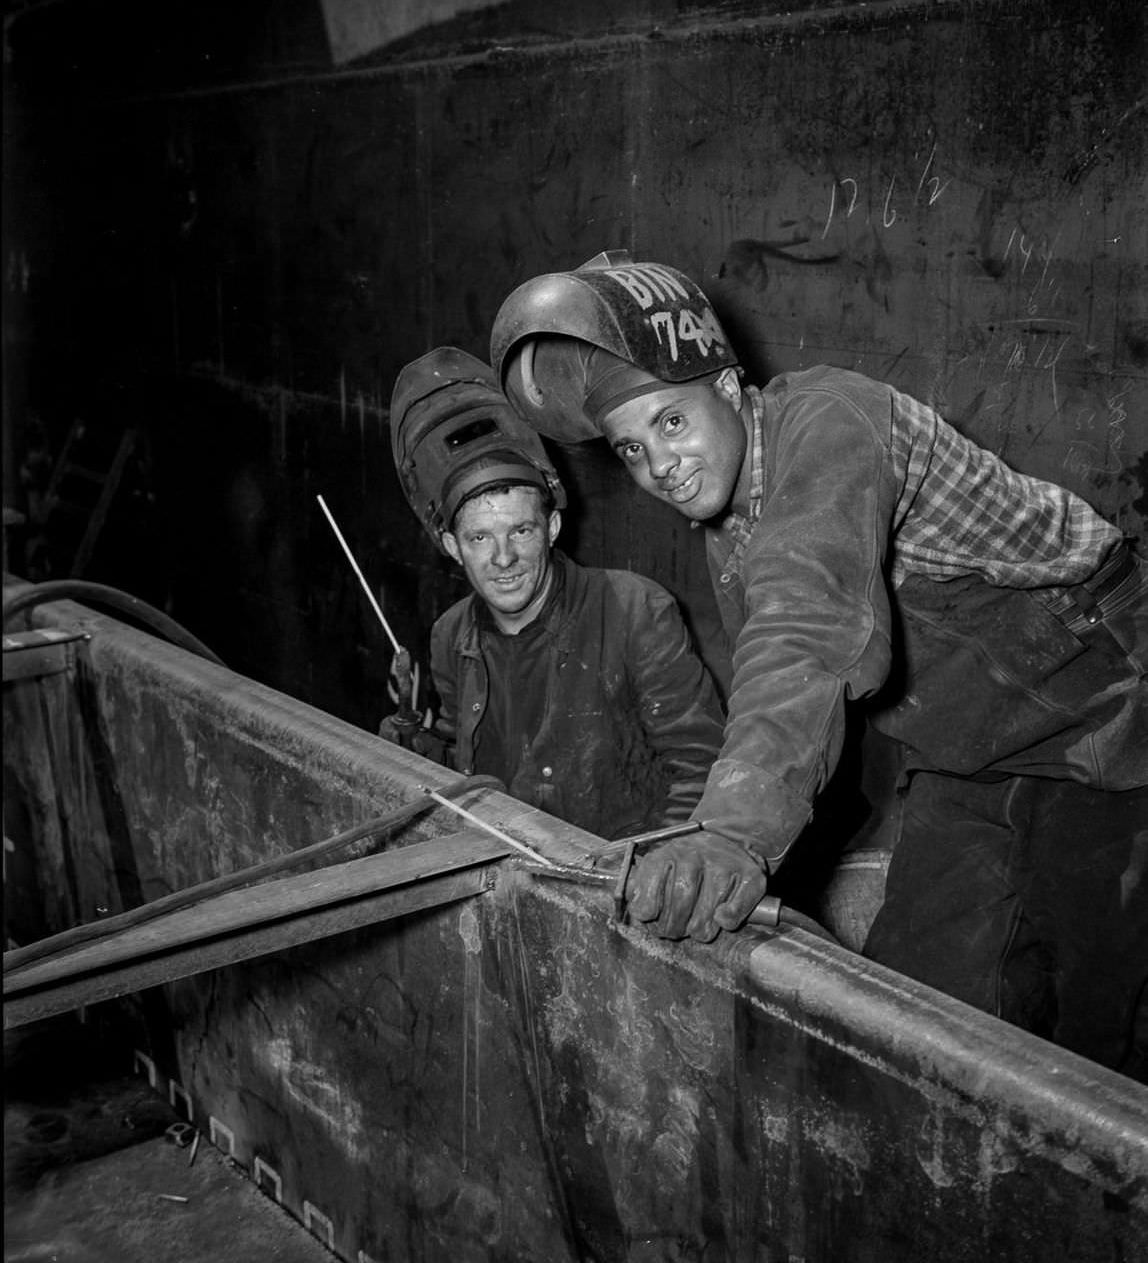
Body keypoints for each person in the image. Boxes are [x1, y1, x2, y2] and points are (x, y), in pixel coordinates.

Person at [488, 249, 1147, 1076]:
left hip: (1106, 725)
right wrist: (733, 844)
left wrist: (733, 836)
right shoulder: (730, 530)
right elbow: (789, 695)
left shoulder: (833, 421)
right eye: (631, 448)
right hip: (967, 756)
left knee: (1101, 1036)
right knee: (912, 1015)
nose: (660, 466)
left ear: (729, 389)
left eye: (671, 423)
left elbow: (805, 630)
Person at [382, 345, 725, 842]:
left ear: (553, 527)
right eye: (480, 538)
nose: (503, 558)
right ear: (453, 546)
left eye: (521, 530)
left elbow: (701, 766)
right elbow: (465, 763)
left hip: (615, 870)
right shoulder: (451, 636)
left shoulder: (633, 611)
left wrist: (652, 866)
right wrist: (415, 746)